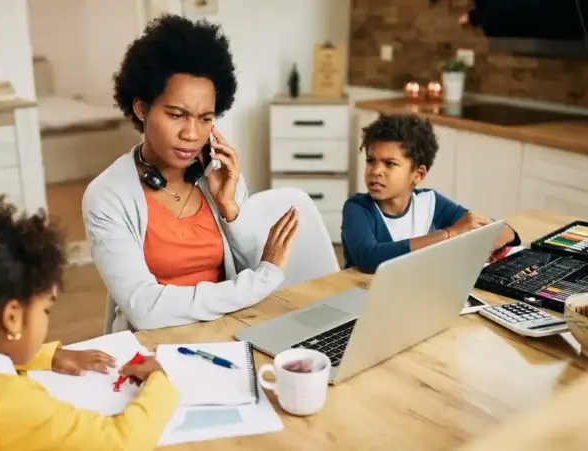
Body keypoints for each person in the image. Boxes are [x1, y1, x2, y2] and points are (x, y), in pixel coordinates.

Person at [0, 196, 179, 450]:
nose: (47, 319)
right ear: (12, 318)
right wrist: (160, 382)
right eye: (45, 310)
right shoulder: (8, 404)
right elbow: (119, 442)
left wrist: (50, 355)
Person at [83, 14, 299, 332]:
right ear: (141, 109)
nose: (192, 134)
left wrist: (230, 210)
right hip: (151, 348)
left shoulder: (218, 174)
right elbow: (146, 310)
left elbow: (255, 267)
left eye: (205, 118)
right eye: (177, 115)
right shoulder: (107, 197)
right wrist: (260, 282)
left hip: (230, 332)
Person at [341, 113, 521, 274]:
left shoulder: (430, 202)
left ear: (418, 174)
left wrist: (495, 233)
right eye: (371, 161)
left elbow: (494, 231)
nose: (375, 171)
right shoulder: (357, 208)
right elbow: (369, 258)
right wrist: (449, 234)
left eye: (389, 164)